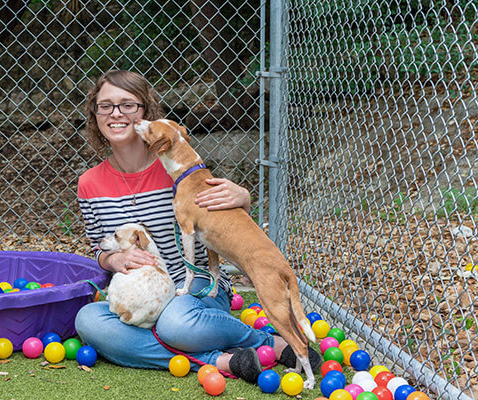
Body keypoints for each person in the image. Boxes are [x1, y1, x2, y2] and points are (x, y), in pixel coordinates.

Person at [74, 70, 320, 382]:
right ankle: (223, 359)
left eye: (128, 105)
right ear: (95, 114)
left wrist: (242, 200)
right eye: (105, 106)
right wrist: (112, 259)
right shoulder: (89, 184)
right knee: (88, 321)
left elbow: (227, 224)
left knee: (176, 324)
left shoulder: (181, 170)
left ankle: (266, 341)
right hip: (143, 297)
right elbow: (100, 248)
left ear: (144, 113)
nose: (116, 114)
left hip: (197, 290)